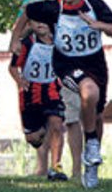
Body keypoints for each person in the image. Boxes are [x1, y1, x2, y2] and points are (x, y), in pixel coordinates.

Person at [11, 0, 112, 189]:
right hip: (65, 64)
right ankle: (90, 145)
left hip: (95, 64)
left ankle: (92, 159)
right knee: (88, 92)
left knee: (97, 112)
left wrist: (98, 25)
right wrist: (15, 40)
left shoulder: (95, 5)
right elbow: (26, 14)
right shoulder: (53, 8)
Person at [11, 0, 82, 179]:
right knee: (41, 122)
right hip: (37, 65)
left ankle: (73, 168)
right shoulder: (30, 0)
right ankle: (42, 168)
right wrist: (32, 30)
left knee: (67, 119)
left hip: (63, 64)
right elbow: (19, 31)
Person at [9, 20, 68, 181]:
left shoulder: (60, 41)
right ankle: (43, 131)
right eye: (36, 21)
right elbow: (13, 67)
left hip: (52, 91)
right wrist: (20, 80)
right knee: (33, 138)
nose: (40, 24)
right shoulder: (26, 44)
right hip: (30, 94)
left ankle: (56, 166)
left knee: (56, 123)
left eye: (43, 20)